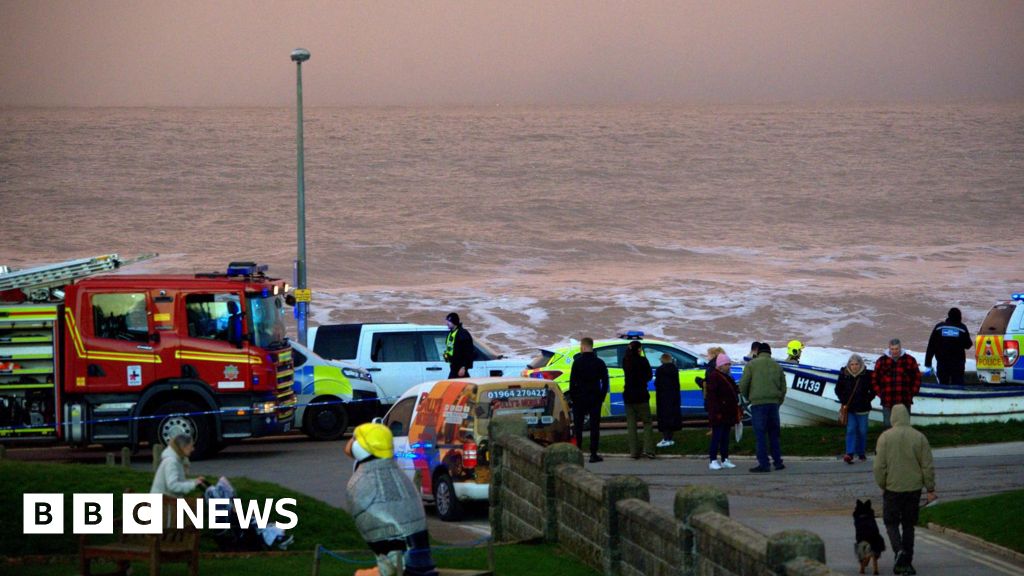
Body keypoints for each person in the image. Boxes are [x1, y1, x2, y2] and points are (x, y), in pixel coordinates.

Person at [346, 423, 438, 576]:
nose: (350, 443)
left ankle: (389, 566)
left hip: (403, 563)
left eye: (355, 439)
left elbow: (376, 528)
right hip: (421, 558)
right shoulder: (398, 475)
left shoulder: (362, 481)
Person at [873, 405, 936, 576]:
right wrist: (930, 488)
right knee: (909, 525)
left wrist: (883, 484)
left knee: (891, 522)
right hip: (914, 488)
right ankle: (907, 559)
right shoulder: (919, 437)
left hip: (892, 488)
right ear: (907, 416)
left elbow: (879, 467)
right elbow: (927, 465)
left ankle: (898, 551)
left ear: (893, 417)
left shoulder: (885, 438)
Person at [738, 342, 786, 473]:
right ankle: (778, 462)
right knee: (774, 434)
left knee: (760, 435)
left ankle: (764, 464)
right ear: (770, 352)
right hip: (773, 404)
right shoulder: (777, 366)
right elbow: (783, 387)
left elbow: (743, 385)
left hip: (758, 404)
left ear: (758, 352)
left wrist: (749, 398)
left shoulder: (751, 365)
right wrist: (778, 401)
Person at [569, 337, 610, 463]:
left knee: (578, 427)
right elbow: (605, 381)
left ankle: (578, 453)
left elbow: (572, 382)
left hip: (579, 399)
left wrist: (573, 397)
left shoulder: (577, 362)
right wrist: (601, 397)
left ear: (583, 347)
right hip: (594, 398)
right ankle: (593, 454)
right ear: (592, 346)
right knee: (594, 427)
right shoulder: (599, 363)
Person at [872, 338, 921, 428]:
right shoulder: (881, 361)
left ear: (900, 348)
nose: (894, 351)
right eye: (892, 349)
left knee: (904, 425)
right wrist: (880, 393)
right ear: (889, 348)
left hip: (904, 399)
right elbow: (874, 379)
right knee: (887, 425)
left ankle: (904, 442)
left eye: (896, 349)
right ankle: (888, 442)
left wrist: (912, 392)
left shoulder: (910, 360)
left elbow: (917, 377)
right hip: (887, 399)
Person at [836, 353, 875, 464]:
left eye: (856, 364)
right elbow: (838, 389)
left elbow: (873, 390)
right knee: (851, 429)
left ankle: (861, 452)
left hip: (863, 408)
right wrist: (844, 401)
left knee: (862, 431)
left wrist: (867, 399)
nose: (854, 366)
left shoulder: (867, 375)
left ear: (860, 364)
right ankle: (849, 453)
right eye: (852, 364)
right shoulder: (844, 374)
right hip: (850, 409)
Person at [705, 353, 740, 470]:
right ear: (720, 365)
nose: (729, 366)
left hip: (727, 413)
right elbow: (712, 398)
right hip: (719, 414)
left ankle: (725, 459)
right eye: (727, 364)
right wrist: (716, 413)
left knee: (725, 437)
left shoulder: (726, 377)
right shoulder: (714, 377)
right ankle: (713, 460)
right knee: (717, 436)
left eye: (729, 364)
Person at [622, 340, 656, 459]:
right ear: (638, 350)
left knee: (631, 424)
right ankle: (649, 449)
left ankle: (634, 451)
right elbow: (649, 376)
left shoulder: (626, 361)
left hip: (628, 396)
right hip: (641, 395)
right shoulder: (643, 360)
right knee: (647, 422)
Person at [924, 307, 973, 385]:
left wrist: (928, 364)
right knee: (958, 385)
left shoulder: (939, 327)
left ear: (948, 316)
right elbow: (968, 345)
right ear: (960, 317)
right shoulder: (962, 328)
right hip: (958, 364)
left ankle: (943, 396)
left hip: (942, 363)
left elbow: (931, 346)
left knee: (943, 384)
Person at [654, 353, 682, 448]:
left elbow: (657, 383)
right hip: (673, 397)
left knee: (664, 418)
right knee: (672, 417)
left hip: (663, 397)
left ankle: (666, 439)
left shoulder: (660, 370)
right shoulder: (674, 369)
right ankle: (670, 438)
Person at [443, 312, 474, 378]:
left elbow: (468, 352)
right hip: (453, 366)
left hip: (460, 367)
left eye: (449, 321)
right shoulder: (451, 333)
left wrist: (464, 367)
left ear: (454, 322)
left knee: (457, 386)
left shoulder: (462, 333)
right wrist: (446, 355)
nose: (447, 323)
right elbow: (450, 348)